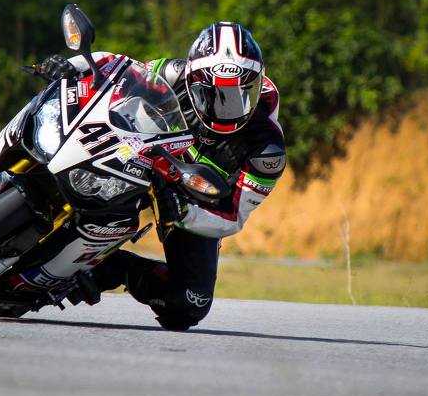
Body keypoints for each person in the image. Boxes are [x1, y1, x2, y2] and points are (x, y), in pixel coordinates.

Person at [39, 22, 286, 331]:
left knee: (189, 304)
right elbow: (117, 68)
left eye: (240, 92)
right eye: (213, 93)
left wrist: (187, 212)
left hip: (193, 200)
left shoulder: (267, 151)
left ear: (257, 83)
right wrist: (73, 66)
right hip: (145, 157)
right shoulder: (172, 73)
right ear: (193, 78)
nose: (227, 106)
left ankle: (109, 269)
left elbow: (234, 216)